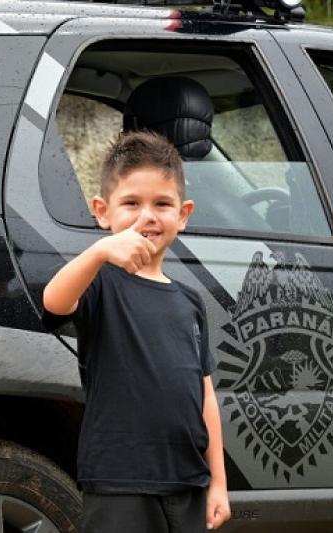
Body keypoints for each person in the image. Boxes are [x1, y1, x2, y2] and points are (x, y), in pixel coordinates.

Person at [42, 130, 230, 532]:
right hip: (119, 483)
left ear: (183, 214)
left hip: (188, 482)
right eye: (131, 203)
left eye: (162, 203)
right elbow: (55, 302)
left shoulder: (189, 302)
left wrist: (218, 483)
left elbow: (206, 396)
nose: (147, 215)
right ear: (102, 211)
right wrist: (97, 253)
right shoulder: (98, 282)